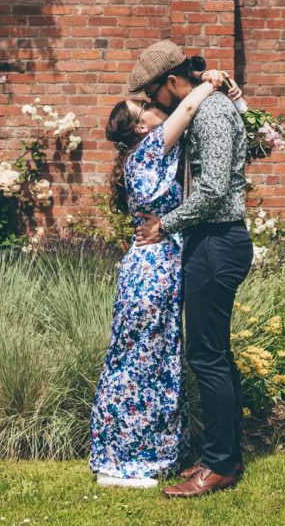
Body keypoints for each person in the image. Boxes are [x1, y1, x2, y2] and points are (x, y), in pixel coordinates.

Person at [89, 60, 240, 488]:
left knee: (140, 360)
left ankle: (131, 455)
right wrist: (209, 83)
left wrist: (232, 98)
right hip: (154, 268)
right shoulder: (151, 147)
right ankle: (132, 463)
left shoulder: (142, 155)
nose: (153, 107)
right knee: (148, 363)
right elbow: (188, 112)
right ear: (140, 128)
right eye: (143, 108)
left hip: (145, 267)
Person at [130, 40, 253, 499]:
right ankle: (225, 456)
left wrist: (166, 225)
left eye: (151, 94)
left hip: (219, 241)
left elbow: (215, 189)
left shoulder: (213, 113)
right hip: (211, 241)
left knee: (207, 356)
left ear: (172, 83)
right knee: (214, 353)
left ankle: (219, 466)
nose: (149, 104)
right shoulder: (210, 109)